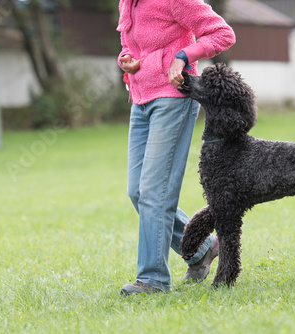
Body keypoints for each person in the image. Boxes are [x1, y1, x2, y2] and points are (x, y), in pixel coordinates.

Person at [117, 0, 235, 295]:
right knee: (138, 191)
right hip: (141, 100)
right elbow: (133, 46)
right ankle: (201, 248)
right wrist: (127, 58)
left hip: (173, 98)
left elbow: (222, 34)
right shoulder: (127, 3)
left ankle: (153, 279)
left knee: (155, 191)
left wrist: (183, 56)